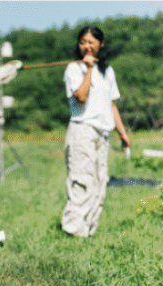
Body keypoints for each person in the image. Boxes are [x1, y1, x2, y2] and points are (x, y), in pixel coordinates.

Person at [62, 27, 131, 239]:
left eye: (91, 42)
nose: (87, 46)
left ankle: (89, 231)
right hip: (82, 129)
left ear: (101, 44)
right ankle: (74, 232)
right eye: (82, 42)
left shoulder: (108, 71)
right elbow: (81, 97)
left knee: (101, 182)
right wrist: (88, 68)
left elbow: (110, 105)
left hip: (103, 133)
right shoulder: (74, 69)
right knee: (83, 180)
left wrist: (122, 134)